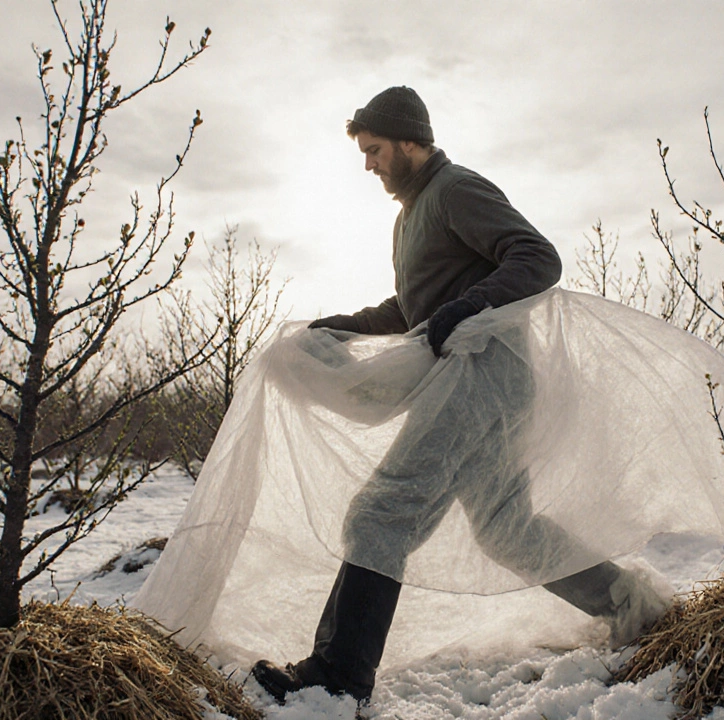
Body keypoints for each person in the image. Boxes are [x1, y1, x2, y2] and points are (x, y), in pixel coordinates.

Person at [250, 86, 668, 707]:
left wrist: (471, 307)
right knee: (507, 529)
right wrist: (340, 325)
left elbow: (537, 258)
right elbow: (410, 310)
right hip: (473, 381)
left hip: (485, 374)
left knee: (380, 514)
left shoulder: (456, 190)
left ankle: (338, 679)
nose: (368, 165)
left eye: (375, 150)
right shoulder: (411, 216)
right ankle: (634, 608)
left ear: (410, 140)